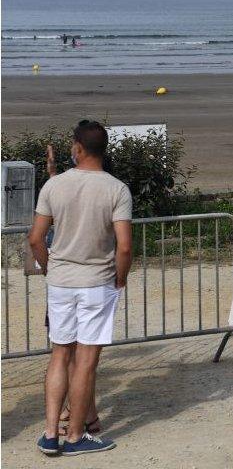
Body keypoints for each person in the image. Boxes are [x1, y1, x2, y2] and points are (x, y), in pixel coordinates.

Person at [28, 120, 132, 456]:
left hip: (61, 280)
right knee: (86, 360)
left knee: (60, 355)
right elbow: (125, 246)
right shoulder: (116, 189)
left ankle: (49, 432)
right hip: (96, 281)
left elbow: (35, 238)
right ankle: (75, 436)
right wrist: (121, 276)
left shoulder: (55, 186)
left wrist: (49, 267)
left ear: (78, 147)